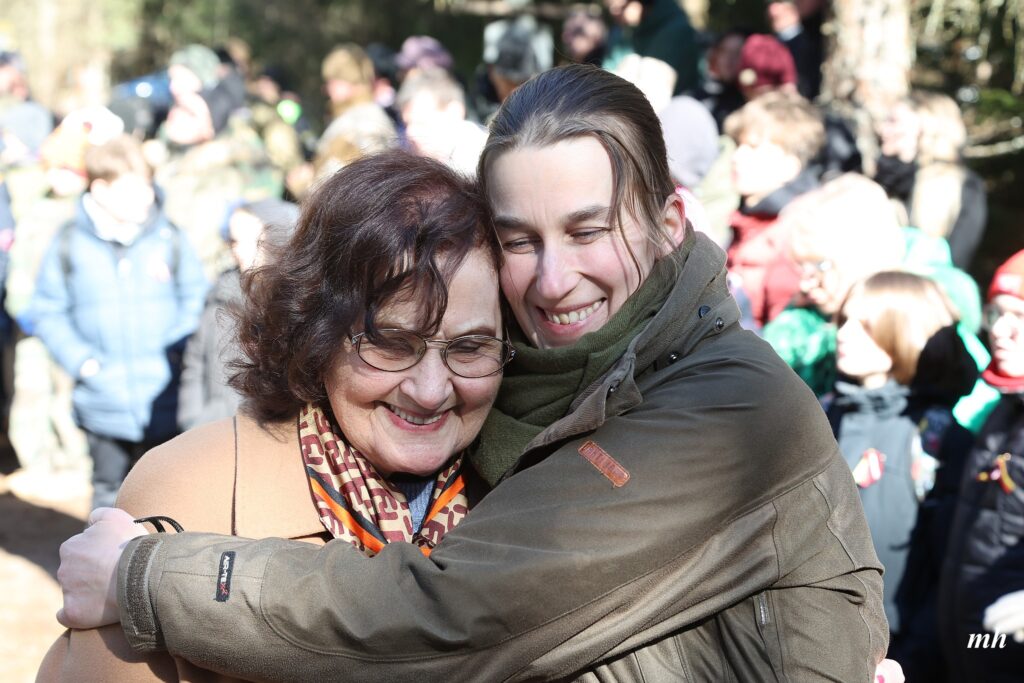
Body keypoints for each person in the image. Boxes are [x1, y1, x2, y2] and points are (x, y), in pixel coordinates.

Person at [55, 65, 887, 681]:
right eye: (520, 239)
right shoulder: (553, 402)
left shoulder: (723, 405)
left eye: (587, 230)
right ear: (320, 331)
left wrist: (150, 575)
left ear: (670, 221)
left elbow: (455, 613)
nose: (553, 280)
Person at [39, 151, 511, 681]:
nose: (430, 390)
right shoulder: (187, 490)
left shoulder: (535, 495)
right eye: (391, 343)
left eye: (470, 347)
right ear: (317, 335)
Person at [28, 134, 208, 510]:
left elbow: (197, 300)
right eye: (133, 188)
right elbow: (48, 310)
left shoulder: (169, 237)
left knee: (167, 503)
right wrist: (85, 363)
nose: (146, 196)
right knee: (109, 501)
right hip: (102, 401)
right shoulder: (68, 243)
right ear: (100, 189)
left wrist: (175, 354)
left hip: (164, 397)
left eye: (148, 185)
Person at [823, 271, 976, 678]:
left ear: (908, 334)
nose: (844, 334)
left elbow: (950, 572)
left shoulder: (938, 440)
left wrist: (910, 663)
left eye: (865, 324)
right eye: (844, 321)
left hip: (896, 658)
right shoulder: (822, 415)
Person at [940, 250, 1024, 681]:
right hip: (973, 643)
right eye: (997, 313)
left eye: (1021, 316)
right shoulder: (1002, 411)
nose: (1001, 331)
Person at [176, 198, 300, 431]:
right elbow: (195, 361)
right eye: (234, 241)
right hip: (206, 429)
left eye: (254, 241)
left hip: (261, 434)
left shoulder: (293, 305)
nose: (238, 251)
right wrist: (191, 418)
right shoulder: (222, 293)